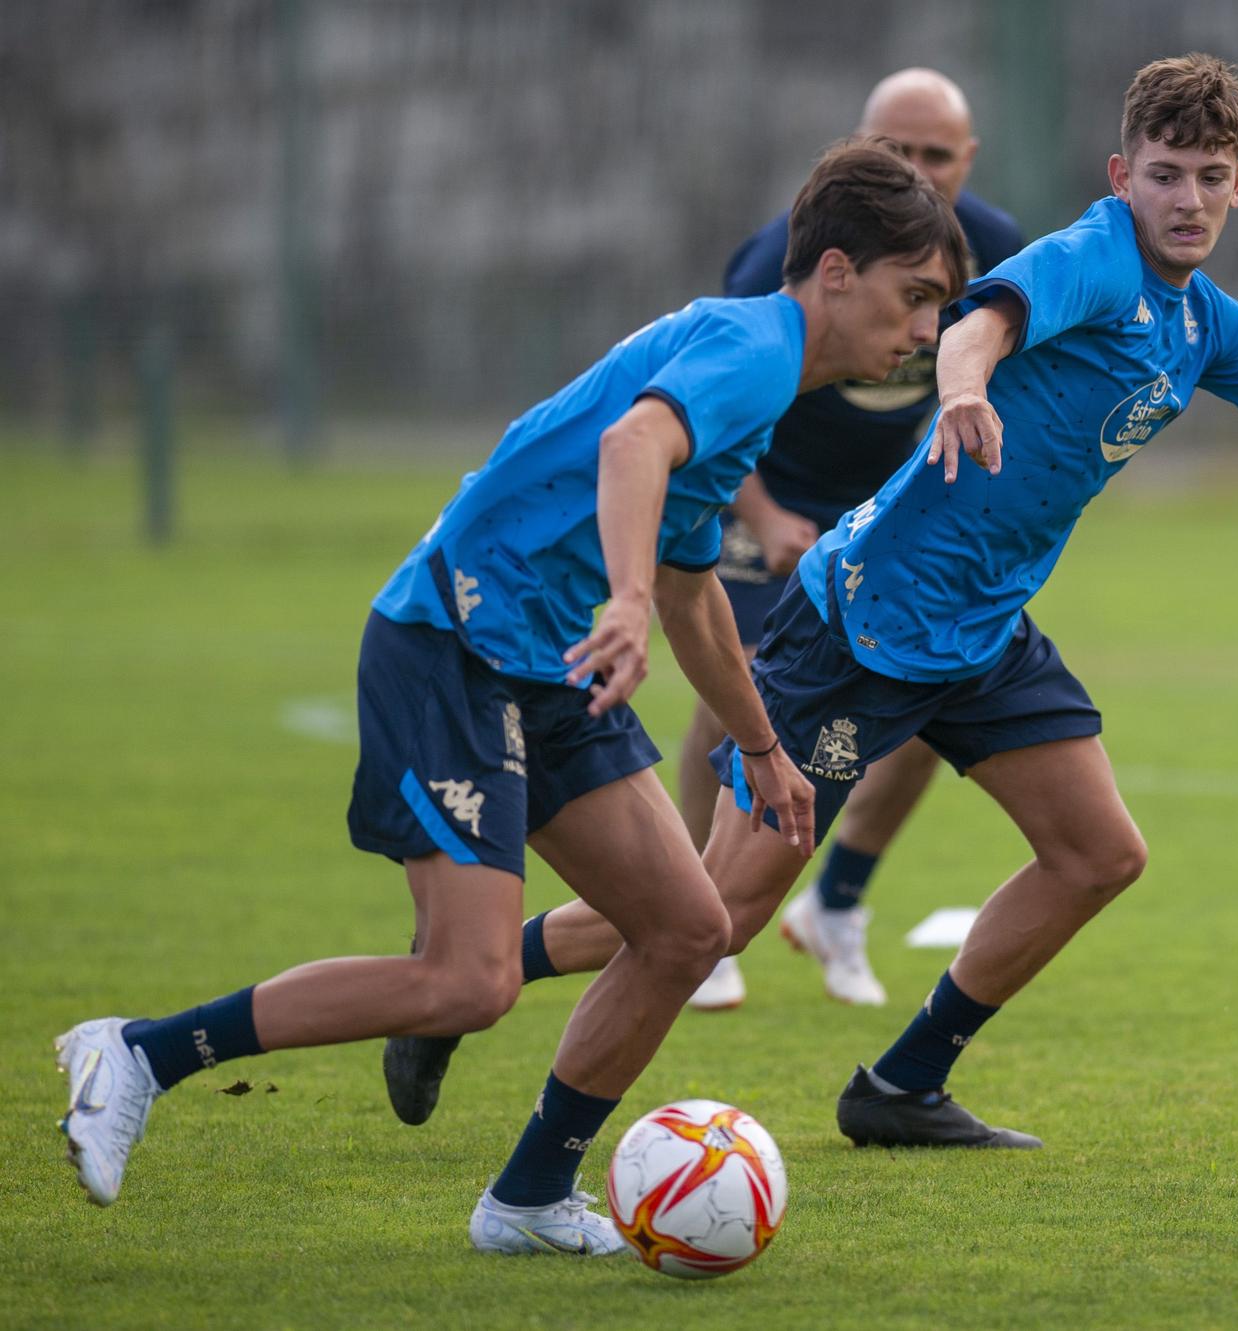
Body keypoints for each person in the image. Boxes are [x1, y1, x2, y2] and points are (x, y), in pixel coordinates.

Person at [387, 52, 1238, 1152]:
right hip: (863, 623)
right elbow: (981, 321)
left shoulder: (1205, 326)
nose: (1186, 198)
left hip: (982, 633)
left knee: (1096, 853)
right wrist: (965, 388)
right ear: (1117, 174)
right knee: (714, 913)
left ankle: (901, 1083)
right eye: (1163, 172)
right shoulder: (1090, 258)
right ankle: (464, 990)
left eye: (1209, 175)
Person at [52, 140, 971, 1250]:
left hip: (540, 662)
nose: (925, 333)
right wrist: (622, 600)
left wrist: (761, 745)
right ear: (833, 270)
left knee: (688, 928)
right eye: (913, 296)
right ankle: (139, 1051)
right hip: (451, 639)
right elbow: (635, 447)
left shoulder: (755, 387)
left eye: (939, 308)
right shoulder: (753, 346)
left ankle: (530, 1196)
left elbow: (692, 591)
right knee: (466, 979)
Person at [681, 68, 1023, 1011]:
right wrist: (760, 518)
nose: (915, 168)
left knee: (927, 690)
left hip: (881, 506)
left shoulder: (997, 254)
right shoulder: (782, 256)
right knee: (740, 675)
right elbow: (704, 409)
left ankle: (836, 905)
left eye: (935, 155)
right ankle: (690, 916)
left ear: (969, 162)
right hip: (768, 486)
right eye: (894, 149)